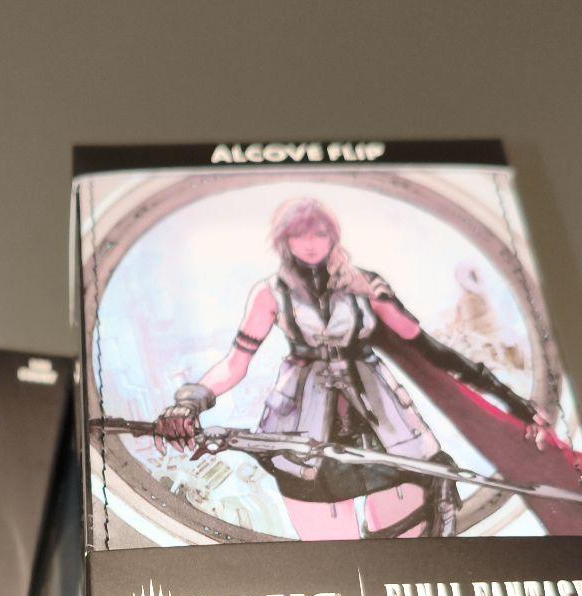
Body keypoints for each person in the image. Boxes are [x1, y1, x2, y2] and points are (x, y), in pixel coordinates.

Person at [153, 198, 560, 540]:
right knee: (333, 558)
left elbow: (429, 350)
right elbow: (235, 363)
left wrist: (512, 401)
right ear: (283, 239)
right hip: (303, 430)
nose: (310, 244)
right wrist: (189, 403)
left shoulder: (365, 284)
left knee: (409, 549)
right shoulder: (270, 293)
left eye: (319, 233)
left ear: (333, 236)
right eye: (299, 234)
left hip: (386, 426)